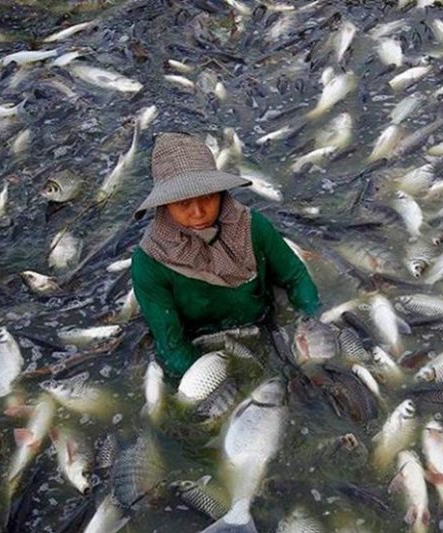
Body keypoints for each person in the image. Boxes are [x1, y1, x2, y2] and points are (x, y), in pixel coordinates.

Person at [130, 132, 320, 379]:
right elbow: (171, 346)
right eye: (183, 203)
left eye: (207, 197)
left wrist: (312, 319)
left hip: (262, 321)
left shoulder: (253, 226)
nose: (198, 212)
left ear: (219, 192)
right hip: (200, 342)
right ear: (165, 204)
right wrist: (213, 382)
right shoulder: (150, 263)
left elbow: (294, 276)